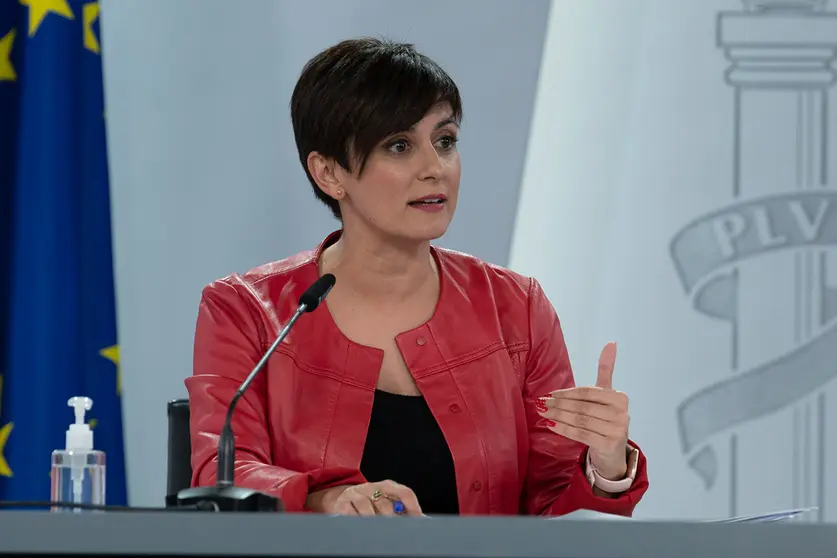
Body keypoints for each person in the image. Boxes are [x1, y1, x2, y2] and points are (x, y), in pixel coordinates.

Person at [185, 37, 648, 517]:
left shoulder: (516, 308)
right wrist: (326, 501)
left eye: (445, 141)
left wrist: (605, 465)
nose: (435, 168)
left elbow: (550, 504)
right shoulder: (246, 310)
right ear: (328, 173)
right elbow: (224, 473)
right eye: (400, 146)